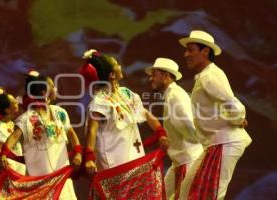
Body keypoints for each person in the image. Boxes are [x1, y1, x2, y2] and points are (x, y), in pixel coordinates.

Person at [179, 30, 252, 200]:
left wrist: (239, 119)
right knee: (189, 190)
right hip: (215, 143)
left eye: (191, 50)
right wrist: (238, 118)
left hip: (224, 142)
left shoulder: (209, 76)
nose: (186, 54)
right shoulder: (206, 76)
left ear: (205, 51)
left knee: (209, 194)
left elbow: (231, 102)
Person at [80, 49, 169, 174]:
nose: (120, 66)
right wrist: (89, 157)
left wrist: (160, 132)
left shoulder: (126, 93)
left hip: (134, 155)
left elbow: (146, 113)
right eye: (117, 64)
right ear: (112, 75)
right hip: (114, 160)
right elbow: (92, 130)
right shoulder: (100, 101)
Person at [0, 73, 82, 200]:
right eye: (53, 86)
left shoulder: (59, 112)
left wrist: (78, 152)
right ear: (44, 91)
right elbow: (14, 136)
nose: (56, 89)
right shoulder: (26, 119)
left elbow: (71, 133)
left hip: (62, 177)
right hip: (39, 180)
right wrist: (3, 154)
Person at [145, 57, 203, 199]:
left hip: (186, 160)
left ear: (165, 76)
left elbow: (190, 128)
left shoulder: (175, 96)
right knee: (160, 196)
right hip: (181, 160)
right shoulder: (173, 94)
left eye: (154, 75)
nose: (150, 79)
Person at [0, 87, 25, 193]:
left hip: (16, 167)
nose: (17, 101)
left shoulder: (11, 124)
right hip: (8, 170)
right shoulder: (1, 128)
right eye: (13, 101)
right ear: (7, 110)